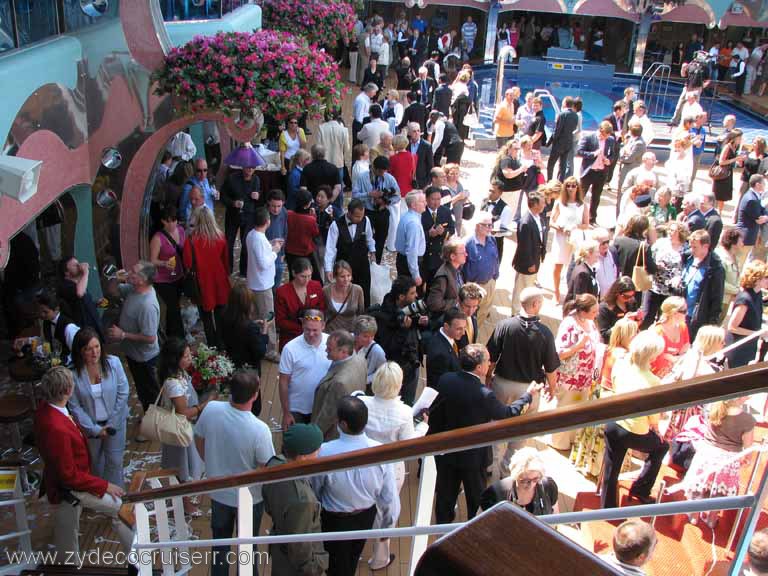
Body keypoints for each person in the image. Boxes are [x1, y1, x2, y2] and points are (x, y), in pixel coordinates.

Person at [429, 344, 539, 523]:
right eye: (488, 361)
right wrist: (527, 396)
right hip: (474, 457)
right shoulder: (484, 395)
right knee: (475, 500)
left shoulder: (446, 380)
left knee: (444, 499)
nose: (490, 364)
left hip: (447, 453)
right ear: (479, 367)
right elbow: (507, 414)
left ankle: (442, 530)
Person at [35, 367, 133, 557]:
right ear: (67, 391)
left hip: (62, 486)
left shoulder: (45, 411)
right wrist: (104, 485)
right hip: (71, 489)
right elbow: (69, 475)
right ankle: (138, 560)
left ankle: (68, 566)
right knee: (119, 507)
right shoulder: (57, 428)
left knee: (66, 534)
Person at [194, 370, 275, 576]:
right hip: (249, 498)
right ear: (255, 395)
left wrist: (211, 462)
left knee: (220, 545)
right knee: (247, 548)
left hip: (218, 491)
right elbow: (267, 467)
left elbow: (199, 439)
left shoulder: (211, 409)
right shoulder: (260, 429)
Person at [311, 396, 399, 576]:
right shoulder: (381, 453)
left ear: (342, 424)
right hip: (365, 517)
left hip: (334, 520)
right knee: (351, 558)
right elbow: (389, 497)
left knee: (336, 564)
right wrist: (387, 527)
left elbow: (316, 489)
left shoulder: (325, 453)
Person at [487, 287, 559, 474]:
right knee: (519, 434)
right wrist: (553, 388)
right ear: (535, 304)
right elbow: (551, 368)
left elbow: (491, 358)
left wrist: (488, 378)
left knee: (493, 426)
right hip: (529, 390)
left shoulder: (505, 325)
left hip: (501, 385)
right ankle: (506, 470)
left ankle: (488, 464)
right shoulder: (545, 333)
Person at [601, 331, 668, 508]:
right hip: (634, 431)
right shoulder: (653, 381)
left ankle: (606, 508)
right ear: (652, 355)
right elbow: (653, 414)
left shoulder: (621, 365)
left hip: (614, 424)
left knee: (611, 469)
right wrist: (656, 428)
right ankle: (640, 489)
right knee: (662, 446)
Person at [261, 423, 328, 575]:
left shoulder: (274, 465)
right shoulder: (302, 500)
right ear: (302, 457)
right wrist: (315, 570)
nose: (319, 452)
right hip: (295, 566)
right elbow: (300, 549)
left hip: (280, 546)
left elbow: (269, 505)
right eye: (316, 450)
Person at [678, 396, 755, 528]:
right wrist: (747, 460)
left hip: (706, 454)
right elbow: (749, 447)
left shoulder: (714, 408)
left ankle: (694, 516)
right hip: (727, 460)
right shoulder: (747, 420)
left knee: (700, 486)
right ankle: (711, 519)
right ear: (741, 398)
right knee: (720, 493)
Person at [68, 327, 129, 488]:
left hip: (115, 423)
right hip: (91, 428)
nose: (94, 353)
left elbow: (123, 392)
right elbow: (75, 406)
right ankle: (101, 493)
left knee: (115, 461)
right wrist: (95, 429)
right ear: (80, 352)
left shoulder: (113, 363)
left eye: (97, 347)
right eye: (88, 349)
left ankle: (118, 498)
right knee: (95, 462)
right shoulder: (73, 374)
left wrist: (111, 423)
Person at [157, 338, 209, 514]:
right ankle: (185, 503)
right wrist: (203, 406)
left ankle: (184, 500)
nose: (190, 359)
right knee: (183, 468)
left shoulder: (181, 375)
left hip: (186, 430)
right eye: (185, 356)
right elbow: (183, 412)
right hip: (180, 432)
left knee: (187, 465)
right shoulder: (173, 384)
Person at [106, 261, 160, 420]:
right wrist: (115, 278)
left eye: (134, 272)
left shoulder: (148, 305)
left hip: (145, 358)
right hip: (133, 354)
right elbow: (112, 291)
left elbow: (150, 337)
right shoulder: (133, 289)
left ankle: (152, 424)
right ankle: (148, 418)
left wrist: (123, 335)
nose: (129, 273)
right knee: (142, 390)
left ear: (142, 280)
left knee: (149, 393)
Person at [551, 294, 600, 452]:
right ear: (583, 311)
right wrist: (579, 346)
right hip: (569, 378)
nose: (596, 315)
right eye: (594, 311)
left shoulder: (590, 323)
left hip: (584, 378)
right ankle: (559, 441)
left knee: (577, 409)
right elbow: (559, 353)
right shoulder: (569, 324)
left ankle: (572, 439)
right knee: (565, 408)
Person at [370, 276, 427, 405]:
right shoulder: (385, 318)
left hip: (413, 362)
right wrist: (403, 330)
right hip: (394, 369)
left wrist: (418, 323)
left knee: (409, 403)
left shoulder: (410, 309)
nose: (416, 295)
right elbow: (389, 347)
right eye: (412, 293)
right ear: (401, 297)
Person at [183, 206, 230, 348]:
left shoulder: (190, 241)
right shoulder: (220, 237)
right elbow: (226, 263)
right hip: (220, 281)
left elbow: (187, 264)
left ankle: (212, 345)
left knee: (207, 318)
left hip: (202, 284)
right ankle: (222, 343)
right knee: (220, 316)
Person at [279, 309, 332, 427]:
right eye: (307, 330)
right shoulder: (290, 348)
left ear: (323, 325)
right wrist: (286, 413)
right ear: (302, 324)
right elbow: (283, 382)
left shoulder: (332, 343)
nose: (311, 334)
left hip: (322, 408)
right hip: (297, 409)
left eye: (315, 330)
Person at [311, 330, 367, 440]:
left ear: (343, 352)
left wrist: (312, 437)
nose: (326, 350)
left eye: (330, 349)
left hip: (331, 435)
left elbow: (327, 416)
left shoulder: (339, 383)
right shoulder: (361, 360)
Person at [324, 199, 377, 308]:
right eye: (357, 216)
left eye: (362, 215)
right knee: (345, 293)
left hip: (362, 263)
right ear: (349, 213)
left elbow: (369, 239)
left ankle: (364, 316)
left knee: (364, 291)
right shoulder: (336, 225)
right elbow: (330, 249)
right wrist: (328, 268)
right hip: (344, 266)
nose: (360, 218)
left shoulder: (366, 220)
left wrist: (373, 252)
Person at [480, 447, 559, 515]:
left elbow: (555, 516)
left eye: (535, 479)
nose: (531, 485)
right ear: (515, 476)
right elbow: (479, 521)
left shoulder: (549, 486)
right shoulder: (495, 493)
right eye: (525, 480)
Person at [352, 154, 400, 264]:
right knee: (363, 237)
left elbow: (397, 196)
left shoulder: (389, 178)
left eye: (385, 171)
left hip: (382, 211)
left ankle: (377, 262)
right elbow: (354, 195)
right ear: (375, 168)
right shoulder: (362, 177)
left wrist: (385, 202)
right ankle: (363, 260)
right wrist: (369, 194)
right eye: (381, 171)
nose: (383, 174)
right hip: (368, 211)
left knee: (381, 238)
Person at [549, 177, 589, 304]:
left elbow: (586, 224)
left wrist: (575, 228)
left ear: (578, 187)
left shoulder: (582, 205)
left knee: (573, 265)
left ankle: (570, 292)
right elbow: (551, 221)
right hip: (561, 237)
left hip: (576, 239)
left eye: (573, 186)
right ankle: (556, 292)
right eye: (568, 186)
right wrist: (561, 228)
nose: (571, 188)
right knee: (558, 265)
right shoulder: (560, 203)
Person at [148, 205, 185, 339]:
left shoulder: (181, 230)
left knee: (173, 307)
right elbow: (152, 260)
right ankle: (180, 337)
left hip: (178, 275)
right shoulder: (158, 238)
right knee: (174, 307)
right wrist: (164, 263)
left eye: (175, 220)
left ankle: (171, 333)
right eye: (169, 221)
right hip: (163, 279)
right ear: (163, 221)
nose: (173, 223)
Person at [681, 229, 725, 340]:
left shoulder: (715, 268)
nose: (692, 250)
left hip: (696, 316)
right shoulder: (688, 258)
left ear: (705, 247)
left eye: (695, 247)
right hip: (680, 311)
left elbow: (717, 297)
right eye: (691, 246)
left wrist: (712, 323)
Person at [644, 221, 688, 327]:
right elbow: (649, 257)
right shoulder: (661, 243)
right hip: (655, 286)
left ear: (680, 233)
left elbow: (686, 268)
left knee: (664, 318)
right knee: (647, 316)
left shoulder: (685, 248)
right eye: (669, 229)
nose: (670, 232)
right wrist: (656, 265)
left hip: (670, 290)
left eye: (673, 231)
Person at [221, 164, 262, 276]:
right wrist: (233, 203)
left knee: (246, 243)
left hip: (249, 215)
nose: (250, 169)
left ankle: (244, 271)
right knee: (229, 242)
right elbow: (223, 196)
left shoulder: (256, 179)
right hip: (233, 215)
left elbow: (260, 197)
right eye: (248, 167)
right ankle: (228, 269)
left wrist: (258, 195)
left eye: (253, 167)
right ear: (242, 167)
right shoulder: (232, 179)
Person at [726, 260, 768, 368]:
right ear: (757, 279)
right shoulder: (745, 299)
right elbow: (732, 327)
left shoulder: (757, 294)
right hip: (738, 348)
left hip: (749, 346)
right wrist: (757, 333)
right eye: (766, 277)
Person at [220, 280, 268, 376]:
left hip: (232, 365)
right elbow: (260, 352)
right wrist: (264, 331)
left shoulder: (225, 316)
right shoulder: (250, 328)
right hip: (249, 371)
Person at [276, 258, 325, 351]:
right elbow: (280, 321)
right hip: (291, 339)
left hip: (313, 337)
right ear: (294, 273)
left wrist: (313, 326)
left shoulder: (316, 286)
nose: (307, 280)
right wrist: (304, 328)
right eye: (303, 276)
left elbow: (322, 309)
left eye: (309, 276)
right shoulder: (282, 292)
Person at [511, 191, 547, 314]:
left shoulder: (538, 218)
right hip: (527, 264)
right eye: (542, 202)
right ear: (535, 204)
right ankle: (515, 313)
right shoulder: (526, 222)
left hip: (535, 260)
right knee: (520, 289)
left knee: (528, 287)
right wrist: (530, 263)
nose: (544, 205)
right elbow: (524, 245)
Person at [463, 213, 500, 325]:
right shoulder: (468, 243)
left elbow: (496, 259)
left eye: (491, 225)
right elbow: (461, 267)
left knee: (483, 312)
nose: (490, 228)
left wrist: (494, 277)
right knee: (469, 316)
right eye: (487, 225)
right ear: (478, 226)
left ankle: (476, 335)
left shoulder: (492, 240)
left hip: (490, 283)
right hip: (474, 286)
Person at [578, 120, 616, 225]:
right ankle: (577, 216)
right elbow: (579, 151)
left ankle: (592, 219)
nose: (605, 138)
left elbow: (613, 154)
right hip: (589, 171)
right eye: (604, 135)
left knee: (596, 197)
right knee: (581, 195)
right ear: (600, 130)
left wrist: (609, 160)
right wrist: (593, 154)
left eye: (607, 136)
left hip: (601, 172)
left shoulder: (611, 140)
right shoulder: (589, 137)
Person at [58, 256, 104, 341]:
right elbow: (79, 293)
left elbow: (80, 302)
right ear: (66, 272)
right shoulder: (65, 286)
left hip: (93, 326)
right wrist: (85, 273)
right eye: (75, 265)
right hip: (83, 330)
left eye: (78, 263)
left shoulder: (79, 282)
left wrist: (95, 303)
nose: (79, 266)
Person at [420, 186, 454, 287]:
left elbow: (452, 229)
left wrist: (443, 232)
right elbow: (416, 235)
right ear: (426, 199)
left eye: (438, 199)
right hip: (424, 255)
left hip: (439, 255)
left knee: (435, 285)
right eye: (433, 199)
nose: (436, 202)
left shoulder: (445, 211)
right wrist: (429, 234)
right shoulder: (421, 212)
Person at [425, 308, 467, 389]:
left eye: (464, 328)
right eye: (459, 329)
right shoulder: (440, 354)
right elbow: (439, 386)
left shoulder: (450, 337)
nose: (463, 333)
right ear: (446, 326)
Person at [427, 237, 466, 319]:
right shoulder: (443, 276)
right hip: (446, 320)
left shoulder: (458, 269)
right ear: (452, 256)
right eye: (463, 253)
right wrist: (457, 302)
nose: (466, 254)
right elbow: (434, 303)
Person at [323, 260, 365, 333]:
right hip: (331, 333)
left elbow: (361, 314)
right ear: (335, 276)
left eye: (348, 276)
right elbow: (323, 312)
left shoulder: (358, 290)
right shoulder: (326, 290)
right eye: (342, 276)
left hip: (350, 334)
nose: (346, 279)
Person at [598, 276, 643, 343]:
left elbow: (636, 326)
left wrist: (638, 319)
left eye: (632, 295)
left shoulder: (632, 302)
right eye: (626, 296)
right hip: (613, 343)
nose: (629, 299)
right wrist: (623, 322)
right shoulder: (604, 308)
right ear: (617, 293)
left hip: (630, 341)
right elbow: (605, 334)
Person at [736, 175, 768, 265]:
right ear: (758, 185)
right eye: (763, 183)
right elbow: (759, 219)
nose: (765, 185)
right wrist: (766, 218)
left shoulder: (754, 196)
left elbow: (762, 210)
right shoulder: (751, 199)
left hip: (748, 235)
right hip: (746, 237)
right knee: (740, 264)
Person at [547, 96, 579, 182]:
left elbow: (557, 130)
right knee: (563, 164)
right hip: (568, 142)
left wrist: (549, 142)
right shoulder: (576, 115)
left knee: (551, 164)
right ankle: (561, 182)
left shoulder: (562, 114)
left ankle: (549, 181)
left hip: (558, 143)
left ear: (564, 103)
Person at [714, 129, 746, 214]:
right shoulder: (727, 147)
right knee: (719, 194)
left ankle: (719, 212)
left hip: (728, 172)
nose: (741, 139)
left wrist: (739, 160)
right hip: (722, 173)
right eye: (739, 138)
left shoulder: (736, 147)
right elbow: (721, 161)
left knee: (723, 195)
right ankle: (718, 212)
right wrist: (735, 159)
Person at [716, 227, 744, 320]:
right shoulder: (721, 258)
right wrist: (737, 291)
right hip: (719, 298)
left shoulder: (735, 257)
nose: (742, 244)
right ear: (733, 243)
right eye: (740, 242)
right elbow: (719, 282)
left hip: (727, 299)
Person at [617, 121, 647, 204]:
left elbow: (629, 158)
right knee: (620, 194)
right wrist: (624, 153)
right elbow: (623, 150)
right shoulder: (631, 140)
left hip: (630, 169)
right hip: (625, 169)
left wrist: (622, 156)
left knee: (625, 193)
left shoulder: (639, 144)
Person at [180, 159, 218, 223]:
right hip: (198, 224)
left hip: (210, 221)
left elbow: (207, 199)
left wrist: (215, 195)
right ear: (194, 171)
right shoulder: (189, 186)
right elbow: (183, 210)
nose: (202, 174)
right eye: (199, 171)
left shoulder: (206, 181)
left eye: (205, 170)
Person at [265, 190, 288, 292]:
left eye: (279, 206)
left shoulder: (284, 212)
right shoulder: (263, 215)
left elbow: (285, 231)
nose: (276, 209)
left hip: (279, 254)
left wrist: (283, 252)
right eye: (273, 206)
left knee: (277, 284)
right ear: (268, 203)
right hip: (266, 253)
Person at [566, 239, 600, 303]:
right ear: (589, 253)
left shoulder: (588, 269)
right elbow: (580, 301)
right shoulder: (582, 273)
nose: (599, 254)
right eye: (597, 252)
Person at [408, 122, 434, 190]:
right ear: (409, 133)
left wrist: (428, 182)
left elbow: (430, 165)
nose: (417, 133)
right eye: (414, 131)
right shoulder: (407, 144)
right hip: (408, 180)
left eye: (418, 131)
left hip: (421, 181)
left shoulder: (427, 146)